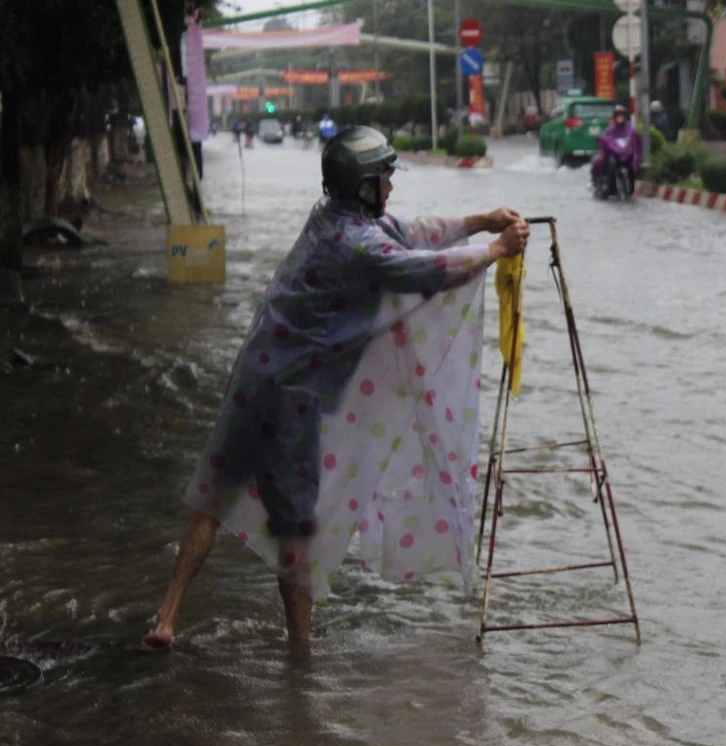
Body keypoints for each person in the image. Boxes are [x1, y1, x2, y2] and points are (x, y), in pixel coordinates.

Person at [141, 126, 529, 654]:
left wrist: (482, 222)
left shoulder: (330, 218)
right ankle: (300, 653)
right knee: (297, 528)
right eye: (383, 178)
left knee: (210, 500)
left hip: (254, 378)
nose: (390, 186)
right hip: (293, 397)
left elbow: (411, 230)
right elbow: (420, 267)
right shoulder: (357, 244)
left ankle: (167, 616)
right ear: (363, 186)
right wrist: (493, 250)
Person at [590, 104, 642, 194]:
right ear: (614, 117)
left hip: (626, 154)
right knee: (607, 162)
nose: (619, 118)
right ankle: (608, 185)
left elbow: (635, 139)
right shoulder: (611, 129)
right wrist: (604, 141)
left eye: (621, 116)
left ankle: (631, 184)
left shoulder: (629, 128)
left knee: (633, 165)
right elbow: (604, 137)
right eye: (618, 116)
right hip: (613, 154)